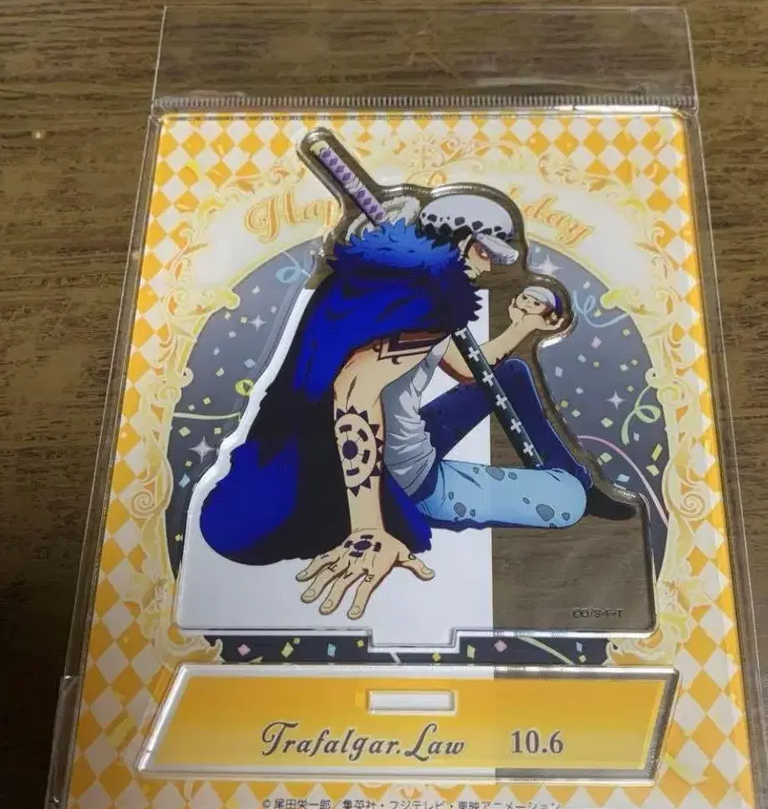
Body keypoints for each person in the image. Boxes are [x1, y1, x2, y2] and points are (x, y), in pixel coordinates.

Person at [200, 189, 632, 620]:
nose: (486, 267)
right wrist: (368, 528)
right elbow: (355, 391)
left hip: (373, 444)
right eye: (483, 252)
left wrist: (523, 326)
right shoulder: (424, 304)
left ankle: (584, 480)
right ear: (460, 241)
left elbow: (466, 367)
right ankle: (577, 490)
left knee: (513, 374)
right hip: (398, 477)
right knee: (567, 501)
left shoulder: (387, 286)